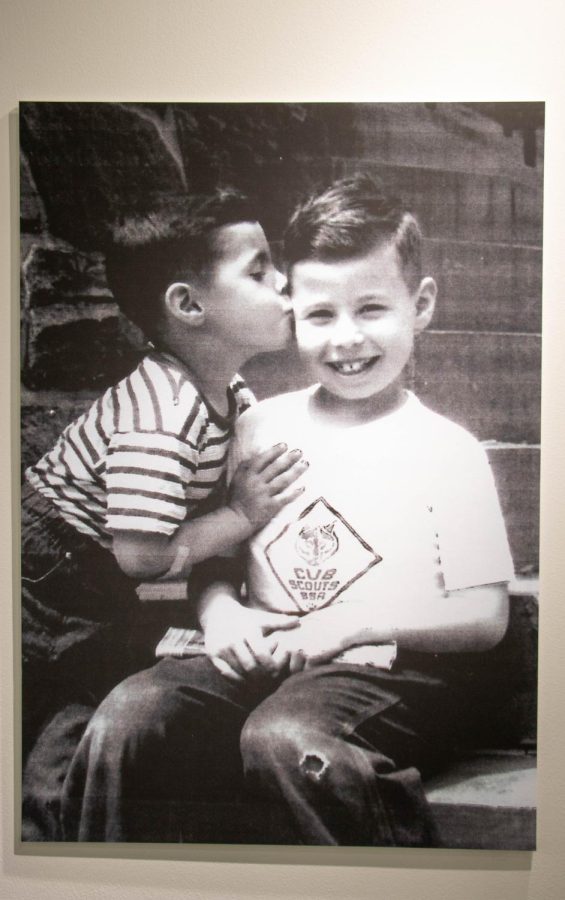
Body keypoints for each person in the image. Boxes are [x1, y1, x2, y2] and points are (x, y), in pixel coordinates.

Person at [60, 174, 515, 845]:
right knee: (131, 718)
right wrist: (220, 613)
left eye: (370, 310)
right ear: (291, 311)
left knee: (287, 738)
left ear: (419, 305)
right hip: (266, 649)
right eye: (319, 315)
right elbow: (216, 561)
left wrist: (349, 628)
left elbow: (483, 618)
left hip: (390, 669)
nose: (345, 340)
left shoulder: (447, 450)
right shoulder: (258, 423)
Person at [21, 187, 307, 841]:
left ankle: (57, 828)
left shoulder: (230, 395)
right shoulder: (162, 414)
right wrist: (241, 512)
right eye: (259, 270)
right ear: (187, 305)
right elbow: (142, 556)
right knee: (57, 707)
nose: (283, 281)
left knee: (80, 700)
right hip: (45, 571)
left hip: (86, 574)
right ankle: (45, 839)